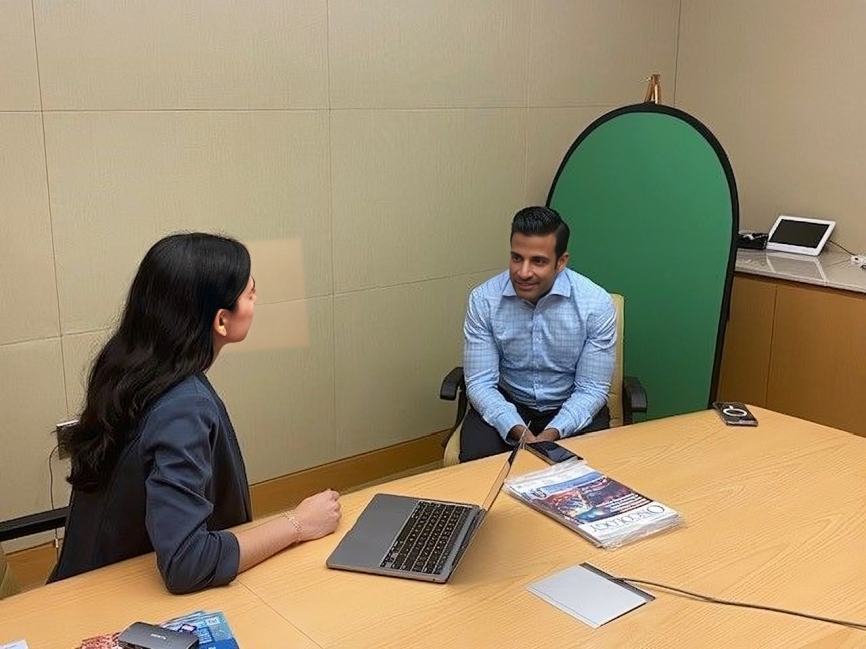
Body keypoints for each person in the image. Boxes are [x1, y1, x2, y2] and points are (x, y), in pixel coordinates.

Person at [50, 232, 341, 594]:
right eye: (249, 293)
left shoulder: (124, 364)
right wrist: (297, 523)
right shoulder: (184, 405)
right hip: (111, 609)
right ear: (221, 321)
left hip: (77, 587)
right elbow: (187, 563)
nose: (255, 299)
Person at [459, 206, 617, 462]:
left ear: (561, 262)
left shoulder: (596, 304)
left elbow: (591, 389)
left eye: (539, 261)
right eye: (517, 258)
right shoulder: (483, 300)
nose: (523, 272)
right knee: (477, 468)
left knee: (585, 478)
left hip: (570, 402)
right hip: (509, 401)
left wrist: (549, 435)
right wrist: (519, 430)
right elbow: (480, 383)